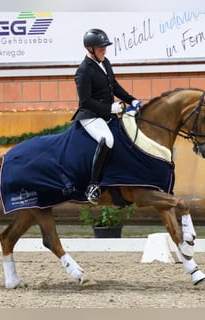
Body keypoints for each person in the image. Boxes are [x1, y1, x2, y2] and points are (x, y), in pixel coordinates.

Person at [72, 28, 141, 205]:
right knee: (107, 139)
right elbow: (86, 101)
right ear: (90, 48)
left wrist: (132, 100)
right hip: (90, 116)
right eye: (101, 47)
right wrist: (110, 108)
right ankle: (93, 186)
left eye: (105, 47)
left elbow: (114, 86)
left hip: (106, 113)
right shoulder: (83, 70)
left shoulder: (105, 62)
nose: (105, 50)